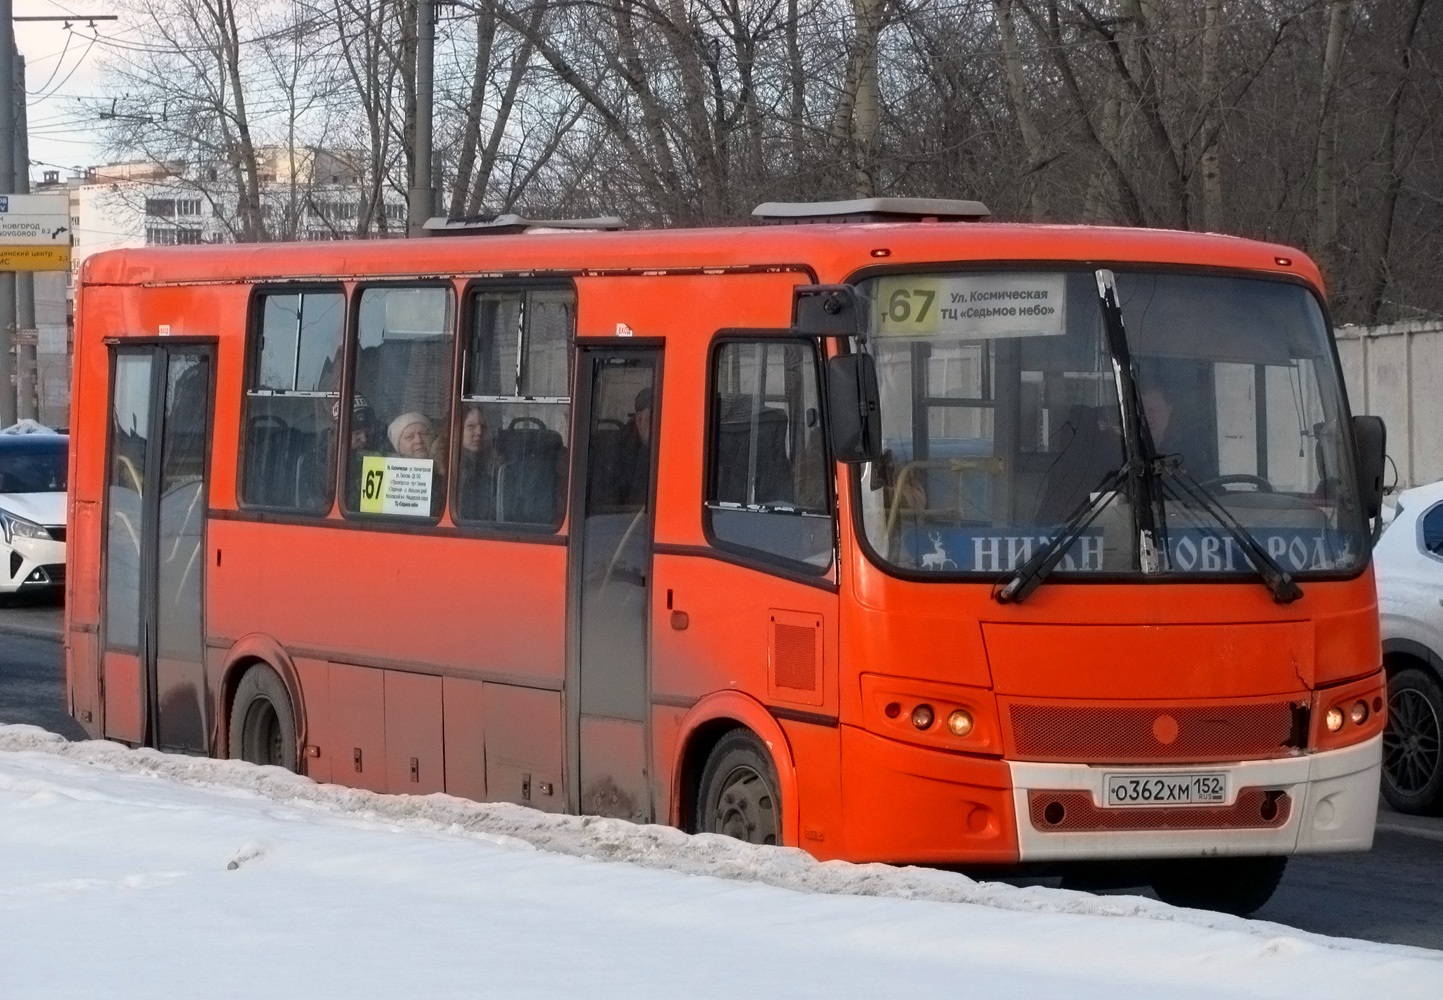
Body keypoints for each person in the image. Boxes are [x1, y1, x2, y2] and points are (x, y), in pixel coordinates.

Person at [456, 404, 501, 521]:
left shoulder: (498, 467)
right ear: (457, 429)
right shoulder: (444, 467)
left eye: (483, 427)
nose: (479, 432)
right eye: (471, 426)